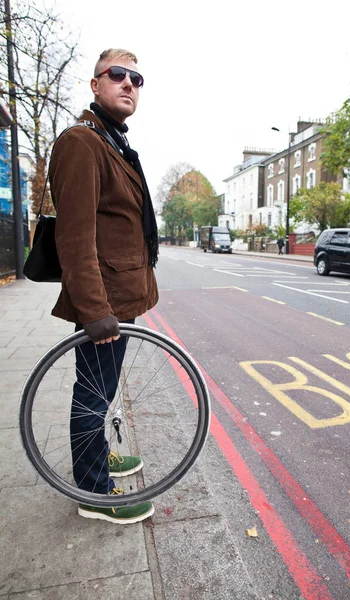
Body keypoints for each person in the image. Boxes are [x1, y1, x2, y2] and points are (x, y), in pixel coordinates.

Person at [49, 48, 159, 524]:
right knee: (93, 393)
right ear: (95, 85)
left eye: (136, 77)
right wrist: (94, 310)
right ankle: (95, 493)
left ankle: (95, 458)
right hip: (104, 300)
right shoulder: (82, 141)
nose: (128, 83)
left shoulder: (110, 140)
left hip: (119, 293)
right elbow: (73, 235)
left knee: (101, 387)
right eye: (117, 74)